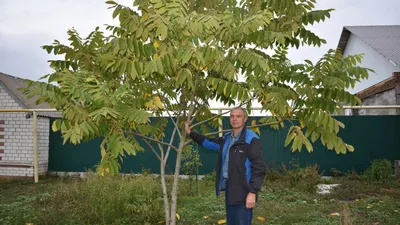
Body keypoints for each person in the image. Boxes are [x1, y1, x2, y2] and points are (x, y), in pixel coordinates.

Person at [184, 107, 266, 225]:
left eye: (238, 116)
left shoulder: (251, 139)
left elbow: (259, 168)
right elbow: (208, 142)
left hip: (244, 190)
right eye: (232, 116)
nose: (234, 119)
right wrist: (190, 133)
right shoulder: (227, 139)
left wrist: (252, 192)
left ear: (245, 119)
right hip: (230, 188)